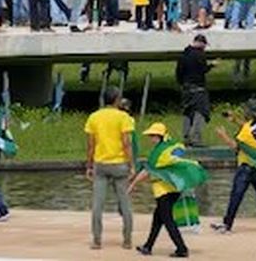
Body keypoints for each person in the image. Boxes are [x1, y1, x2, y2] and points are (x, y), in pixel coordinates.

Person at [127, 122, 193, 258]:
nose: (151, 139)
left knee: (167, 220)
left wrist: (133, 184)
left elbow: (146, 171)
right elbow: (181, 153)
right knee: (158, 218)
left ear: (159, 136)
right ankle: (148, 246)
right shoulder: (174, 146)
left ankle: (182, 248)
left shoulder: (158, 153)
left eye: (153, 136)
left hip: (163, 191)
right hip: (175, 188)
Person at [84, 86, 136, 250]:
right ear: (117, 100)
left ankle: (97, 240)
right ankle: (127, 240)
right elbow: (126, 143)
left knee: (97, 204)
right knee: (125, 203)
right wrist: (131, 164)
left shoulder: (94, 117)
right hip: (119, 164)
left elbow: (91, 145)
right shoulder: (123, 117)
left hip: (101, 164)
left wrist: (89, 165)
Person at [212, 99, 256, 235]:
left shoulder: (246, 131)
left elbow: (236, 145)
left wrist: (223, 135)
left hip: (246, 166)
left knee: (236, 195)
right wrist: (234, 120)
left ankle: (227, 224)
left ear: (248, 112)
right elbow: (248, 128)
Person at [176, 33, 212, 146]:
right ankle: (196, 137)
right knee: (201, 111)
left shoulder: (184, 54)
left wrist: (182, 84)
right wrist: (212, 66)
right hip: (198, 88)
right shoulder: (200, 55)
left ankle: (186, 137)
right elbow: (202, 70)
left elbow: (178, 72)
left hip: (186, 88)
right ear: (201, 44)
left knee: (187, 112)